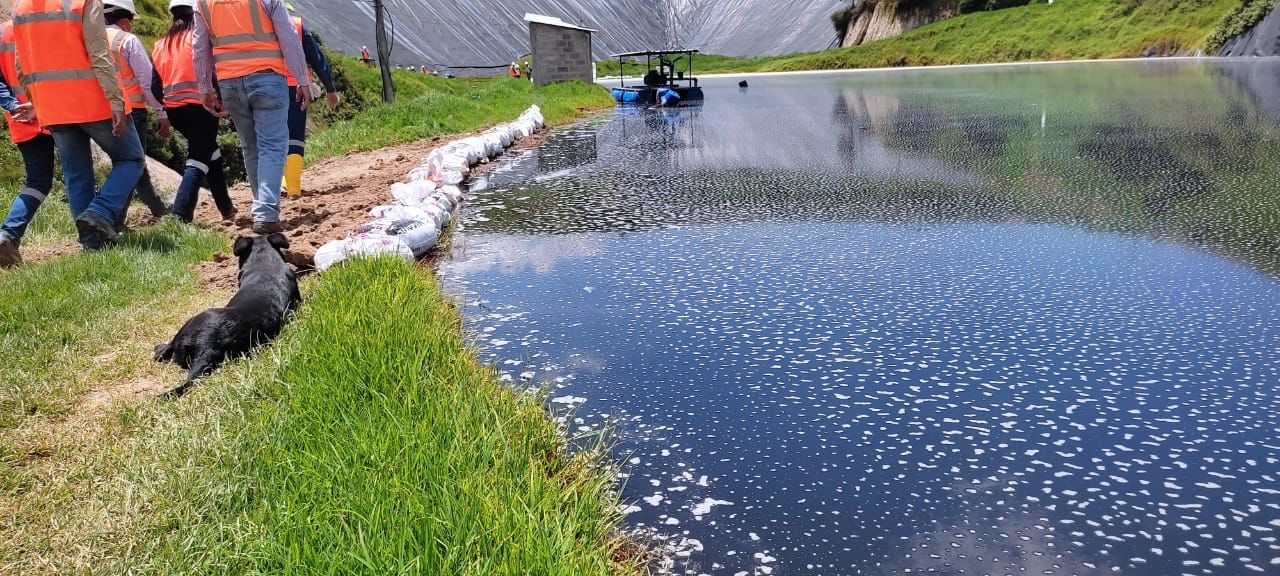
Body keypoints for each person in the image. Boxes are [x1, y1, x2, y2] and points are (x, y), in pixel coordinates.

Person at [12, 0, 144, 250]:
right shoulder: (82, 2)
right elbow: (99, 53)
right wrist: (115, 100)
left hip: (53, 107)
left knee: (77, 174)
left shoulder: (21, 6)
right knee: (131, 159)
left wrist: (38, 101)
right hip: (93, 101)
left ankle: (92, 243)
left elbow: (22, 64)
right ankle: (100, 212)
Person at [193, 0, 310, 234]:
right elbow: (288, 38)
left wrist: (205, 87)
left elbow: (199, 47)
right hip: (267, 78)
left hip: (230, 84)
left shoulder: (203, 3)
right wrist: (302, 79)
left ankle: (262, 208)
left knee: (251, 147)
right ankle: (266, 213)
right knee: (272, 146)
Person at [152, 0, 236, 223]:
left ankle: (226, 208)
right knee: (198, 159)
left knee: (211, 152)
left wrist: (165, 108)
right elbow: (214, 69)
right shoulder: (199, 38)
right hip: (202, 106)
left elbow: (154, 84)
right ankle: (180, 214)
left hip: (175, 110)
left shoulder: (161, 44)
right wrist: (222, 99)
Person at [104, 0, 172, 225]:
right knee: (131, 162)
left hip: (97, 113)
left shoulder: (86, 39)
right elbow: (147, 82)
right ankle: (114, 219)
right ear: (124, 21)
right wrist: (162, 113)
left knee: (130, 162)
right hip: (131, 112)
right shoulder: (127, 40)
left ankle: (155, 206)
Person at [0, 20, 54, 267]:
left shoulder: (3, 32)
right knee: (79, 173)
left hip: (22, 118)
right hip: (58, 114)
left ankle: (8, 234)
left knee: (37, 182)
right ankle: (94, 237)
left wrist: (12, 105)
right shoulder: (47, 22)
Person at [281, 3, 339, 198]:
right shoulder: (296, 25)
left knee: (272, 138)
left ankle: (279, 184)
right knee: (295, 136)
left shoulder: (258, 29)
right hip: (295, 87)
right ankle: (293, 188)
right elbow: (317, 58)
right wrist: (330, 89)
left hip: (267, 88)